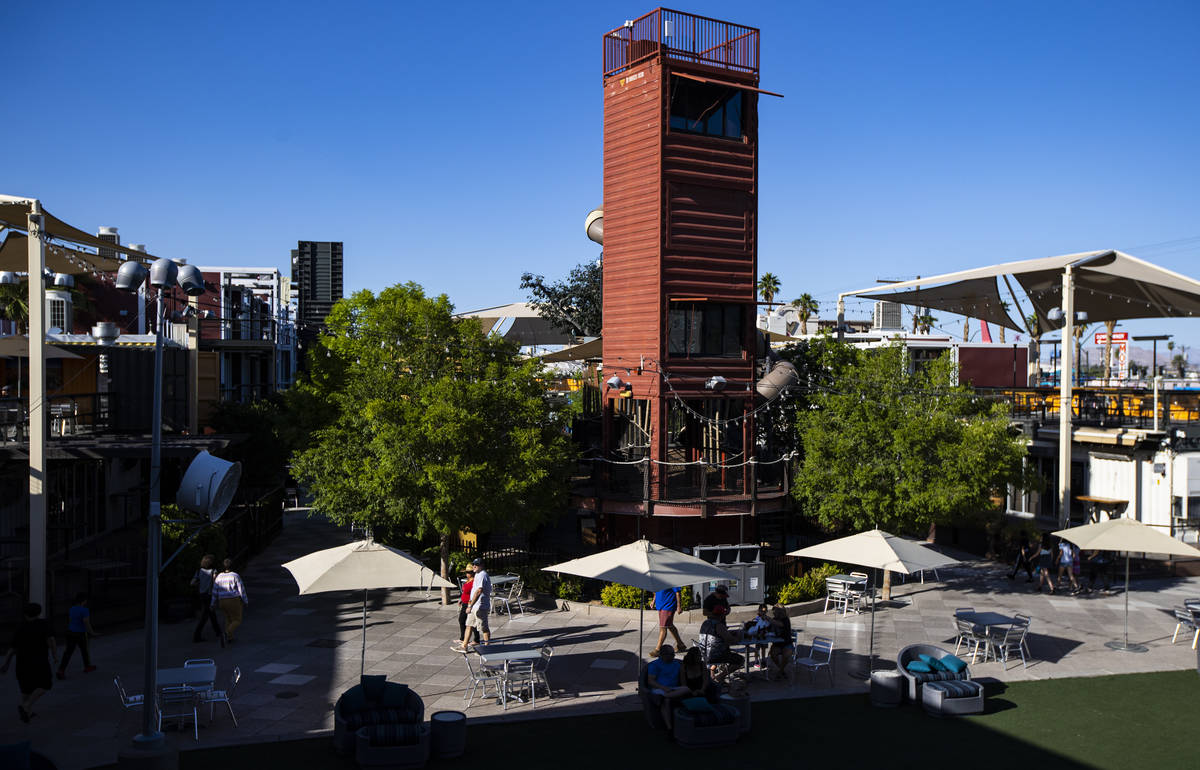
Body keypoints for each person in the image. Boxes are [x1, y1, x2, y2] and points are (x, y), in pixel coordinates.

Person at [1, 603, 57, 723]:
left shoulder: (20, 628)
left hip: (22, 662)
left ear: (25, 614)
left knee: (26, 689)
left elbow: (12, 648)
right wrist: (55, 655)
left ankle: (27, 712)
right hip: (39, 660)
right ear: (39, 612)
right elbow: (51, 640)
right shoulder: (44, 624)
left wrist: (6, 664)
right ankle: (26, 707)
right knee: (45, 684)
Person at [645, 645, 689, 729]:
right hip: (659, 690)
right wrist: (664, 688)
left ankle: (671, 726)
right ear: (663, 655)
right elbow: (651, 681)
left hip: (673, 689)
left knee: (686, 689)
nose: (673, 656)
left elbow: (683, 682)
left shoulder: (677, 664)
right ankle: (670, 727)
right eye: (671, 654)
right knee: (667, 701)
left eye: (673, 654)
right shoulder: (655, 665)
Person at [57, 593, 99, 679]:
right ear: (83, 601)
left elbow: (71, 620)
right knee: (84, 650)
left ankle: (61, 670)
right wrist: (92, 632)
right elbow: (86, 622)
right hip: (80, 633)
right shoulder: (84, 610)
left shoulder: (72, 609)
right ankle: (87, 666)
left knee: (68, 652)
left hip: (70, 632)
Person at [456, 558, 491, 651]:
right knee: (469, 625)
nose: (474, 566)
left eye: (477, 564)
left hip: (480, 606)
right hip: (474, 606)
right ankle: (464, 646)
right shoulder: (477, 575)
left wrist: (470, 605)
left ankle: (487, 648)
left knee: (484, 628)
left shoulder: (483, 575)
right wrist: (470, 604)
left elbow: (479, 591)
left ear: (482, 565)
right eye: (474, 564)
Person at [698, 612, 743, 684]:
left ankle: (712, 674)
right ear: (721, 616)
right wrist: (738, 637)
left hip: (703, 654)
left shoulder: (705, 623)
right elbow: (730, 640)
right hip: (714, 656)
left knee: (720, 651)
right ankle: (720, 677)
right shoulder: (718, 625)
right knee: (740, 660)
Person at [211, 559, 248, 644]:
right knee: (237, 620)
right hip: (233, 600)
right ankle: (227, 633)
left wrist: (212, 603)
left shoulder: (219, 576)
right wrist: (245, 600)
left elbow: (215, 590)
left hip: (222, 601)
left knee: (228, 618)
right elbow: (241, 589)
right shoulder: (235, 576)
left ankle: (230, 637)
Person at [191, 554, 223, 645]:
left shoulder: (198, 571)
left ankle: (218, 632)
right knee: (205, 616)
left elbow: (192, 583)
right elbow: (216, 582)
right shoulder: (213, 571)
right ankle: (196, 636)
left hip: (202, 595)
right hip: (209, 595)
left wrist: (200, 584)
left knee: (211, 614)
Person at [649, 585, 686, 657]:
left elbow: (678, 593)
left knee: (663, 627)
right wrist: (653, 601)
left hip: (668, 606)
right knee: (669, 625)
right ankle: (681, 645)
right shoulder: (659, 578)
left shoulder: (672, 579)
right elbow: (656, 591)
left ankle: (657, 650)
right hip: (660, 605)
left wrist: (679, 606)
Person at [766, 605, 794, 680]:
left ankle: (780, 671)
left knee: (786, 655)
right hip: (777, 644)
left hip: (786, 643)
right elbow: (769, 628)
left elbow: (779, 624)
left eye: (774, 611)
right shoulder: (774, 619)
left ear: (780, 612)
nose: (773, 613)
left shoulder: (785, 620)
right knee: (773, 654)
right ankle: (781, 670)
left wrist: (768, 619)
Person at [457, 563, 477, 645]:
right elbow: (465, 592)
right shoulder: (468, 580)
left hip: (469, 604)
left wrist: (470, 604)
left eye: (468, 572)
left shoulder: (474, 582)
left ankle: (476, 639)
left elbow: (474, 593)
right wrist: (461, 599)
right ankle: (463, 638)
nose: (467, 574)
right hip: (464, 602)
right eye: (466, 572)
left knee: (469, 622)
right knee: (463, 620)